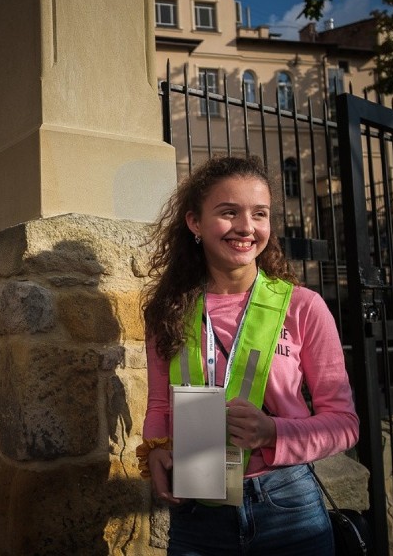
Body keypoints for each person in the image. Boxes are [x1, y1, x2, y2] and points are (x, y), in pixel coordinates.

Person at [137, 156, 359, 555]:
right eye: (228, 212)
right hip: (197, 511)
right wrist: (155, 451)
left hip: (287, 504)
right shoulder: (167, 310)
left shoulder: (303, 307)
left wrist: (273, 432)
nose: (246, 227)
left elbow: (344, 424)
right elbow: (158, 406)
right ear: (194, 223)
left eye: (260, 214)